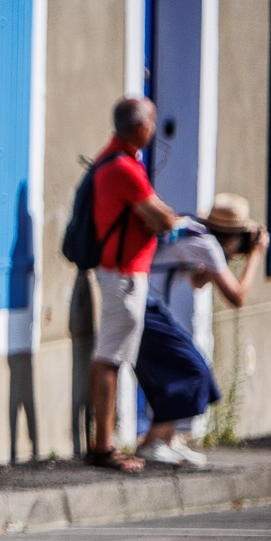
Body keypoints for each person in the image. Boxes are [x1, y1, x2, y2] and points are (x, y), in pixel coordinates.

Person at [85, 95, 185, 472]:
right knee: (110, 359)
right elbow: (161, 218)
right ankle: (103, 447)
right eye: (153, 122)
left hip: (119, 271)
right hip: (123, 275)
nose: (155, 129)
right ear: (141, 127)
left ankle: (103, 444)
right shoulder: (124, 168)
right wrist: (165, 217)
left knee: (110, 356)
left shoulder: (112, 157)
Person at [135, 193, 270, 466]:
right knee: (193, 370)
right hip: (143, 307)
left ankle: (167, 440)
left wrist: (220, 262)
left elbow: (197, 281)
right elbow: (237, 298)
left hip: (146, 303)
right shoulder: (207, 244)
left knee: (184, 369)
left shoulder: (194, 233)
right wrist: (255, 256)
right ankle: (151, 443)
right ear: (232, 235)